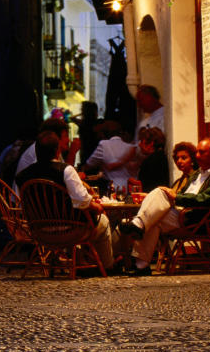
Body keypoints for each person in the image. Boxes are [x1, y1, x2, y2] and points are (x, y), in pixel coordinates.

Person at [119, 138, 210, 276]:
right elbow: (180, 194)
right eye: (197, 152)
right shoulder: (198, 174)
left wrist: (176, 197)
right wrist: (172, 197)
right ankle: (141, 265)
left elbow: (206, 199)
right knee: (154, 217)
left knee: (159, 196)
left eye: (202, 153)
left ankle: (138, 224)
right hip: (182, 213)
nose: (197, 156)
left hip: (197, 219)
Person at [15, 131, 116, 271]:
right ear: (57, 151)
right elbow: (82, 201)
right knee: (103, 221)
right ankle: (108, 266)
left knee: (84, 216)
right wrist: (95, 206)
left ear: (36, 151)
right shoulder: (65, 170)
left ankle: (82, 263)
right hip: (71, 230)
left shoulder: (22, 176)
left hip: (39, 231)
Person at [13, 116, 81, 182]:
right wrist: (72, 152)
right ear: (54, 137)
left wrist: (73, 152)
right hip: (29, 192)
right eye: (66, 136)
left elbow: (64, 172)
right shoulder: (41, 150)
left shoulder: (54, 149)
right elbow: (53, 180)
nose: (68, 140)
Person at [83, 120, 139, 192]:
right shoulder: (131, 147)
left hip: (114, 189)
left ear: (103, 134)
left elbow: (89, 164)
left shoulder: (104, 145)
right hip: (132, 189)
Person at [132, 127, 169, 193]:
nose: (139, 144)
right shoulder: (161, 157)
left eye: (141, 141)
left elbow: (148, 187)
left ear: (151, 143)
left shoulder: (151, 161)